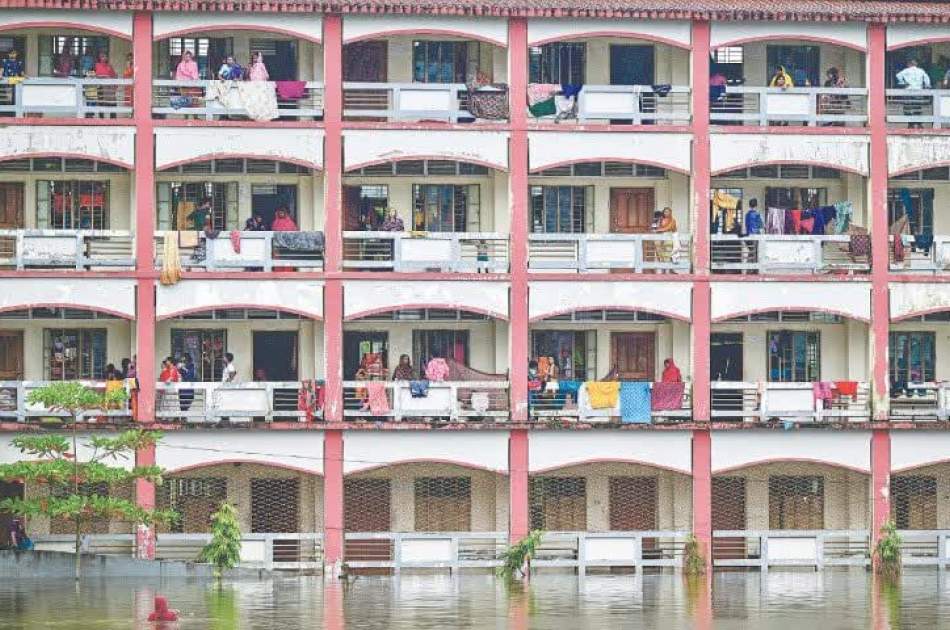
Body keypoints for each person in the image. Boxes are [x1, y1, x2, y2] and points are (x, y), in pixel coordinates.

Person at [896, 58, 931, 129]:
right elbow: (927, 79)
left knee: (908, 107)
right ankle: (919, 124)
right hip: (918, 91)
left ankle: (910, 124)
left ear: (909, 64)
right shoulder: (921, 71)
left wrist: (903, 83)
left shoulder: (906, 70)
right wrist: (927, 86)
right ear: (916, 64)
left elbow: (898, 75)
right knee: (917, 107)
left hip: (908, 91)